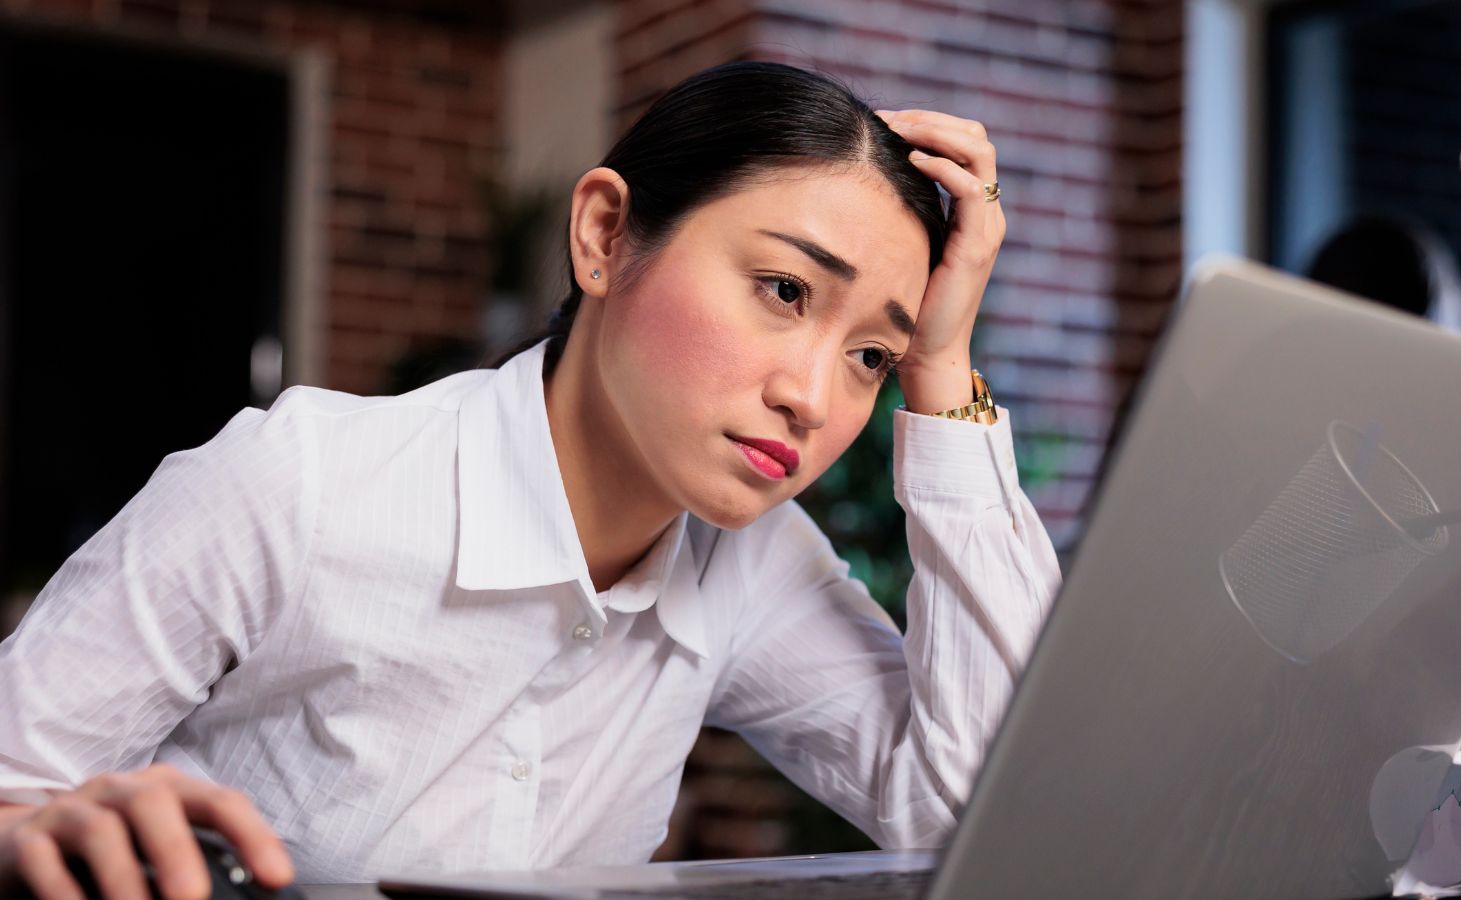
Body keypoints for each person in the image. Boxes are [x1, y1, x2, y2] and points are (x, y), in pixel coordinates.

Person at [0, 60, 1060, 896]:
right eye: (784, 290)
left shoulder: (752, 562)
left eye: (872, 355)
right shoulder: (299, 483)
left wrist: (941, 373)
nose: (813, 398)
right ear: (605, 235)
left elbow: (977, 819)